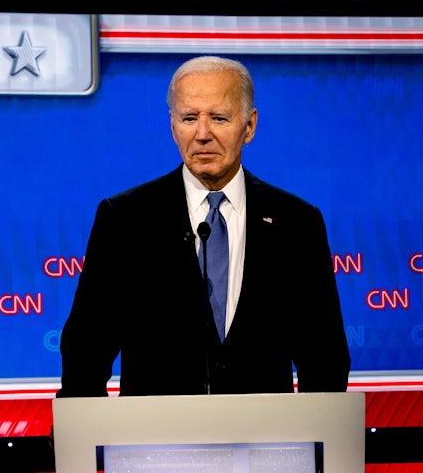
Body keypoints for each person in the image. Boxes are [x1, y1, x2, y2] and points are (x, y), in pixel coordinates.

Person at [55, 55, 351, 399]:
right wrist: (90, 436)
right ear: (172, 126)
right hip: (155, 443)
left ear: (250, 126)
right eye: (189, 118)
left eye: (219, 118)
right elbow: (85, 351)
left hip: (266, 442)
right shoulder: (125, 218)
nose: (202, 134)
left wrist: (312, 441)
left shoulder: (297, 222)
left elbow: (325, 357)